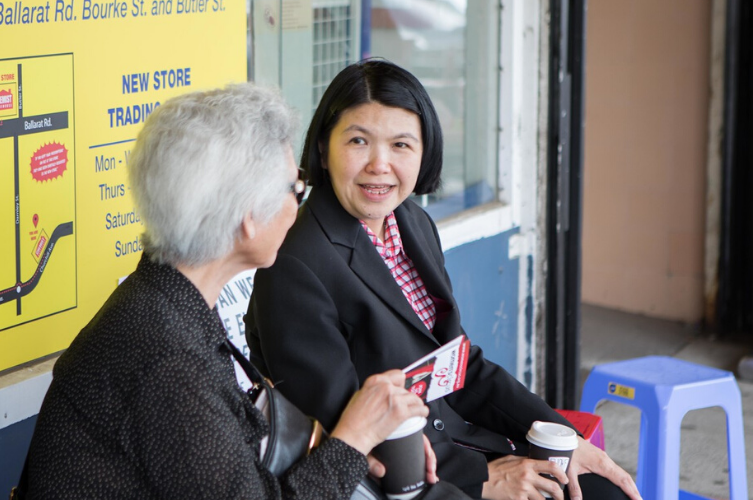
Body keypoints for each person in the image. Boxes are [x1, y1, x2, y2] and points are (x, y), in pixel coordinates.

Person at [22, 83, 454, 499]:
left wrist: (370, 432)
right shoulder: (166, 360)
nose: (298, 201)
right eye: (294, 188)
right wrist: (355, 437)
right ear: (249, 216)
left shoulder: (165, 299)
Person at [244, 60, 643, 500]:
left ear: (424, 151)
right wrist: (484, 480)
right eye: (358, 141)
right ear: (323, 149)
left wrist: (564, 438)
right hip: (395, 477)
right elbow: (344, 425)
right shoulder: (295, 262)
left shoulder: (412, 223)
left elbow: (459, 364)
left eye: (401, 144)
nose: (380, 165)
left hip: (458, 443)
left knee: (604, 490)